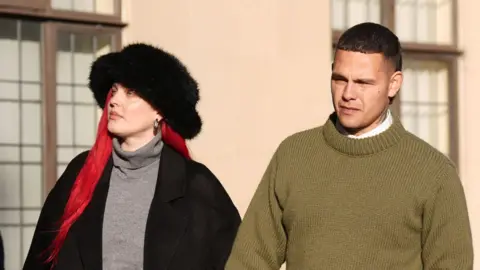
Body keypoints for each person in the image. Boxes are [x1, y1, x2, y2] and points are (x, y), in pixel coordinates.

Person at [225, 22, 473, 269]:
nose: (348, 94)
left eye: (363, 83)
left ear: (394, 84)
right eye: (340, 79)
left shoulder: (434, 173)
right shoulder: (293, 156)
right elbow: (250, 260)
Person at [23, 43, 241, 270]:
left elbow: (236, 260)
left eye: (130, 93)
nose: (115, 101)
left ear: (159, 111)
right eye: (114, 91)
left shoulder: (197, 185)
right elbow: (39, 260)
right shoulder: (80, 172)